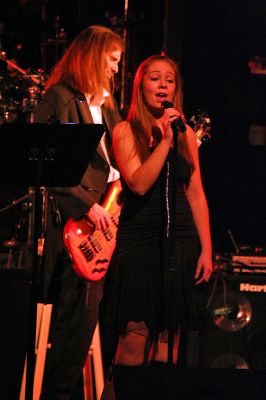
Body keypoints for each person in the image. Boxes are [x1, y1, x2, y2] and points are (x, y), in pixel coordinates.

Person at [101, 54, 213, 399]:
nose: (163, 85)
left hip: (180, 240)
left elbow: (195, 194)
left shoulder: (186, 135)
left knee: (169, 343)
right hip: (140, 241)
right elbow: (138, 183)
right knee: (135, 341)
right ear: (141, 86)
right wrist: (164, 140)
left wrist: (207, 249)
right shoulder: (125, 130)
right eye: (155, 78)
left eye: (170, 80)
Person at [33, 25, 123, 399]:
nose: (118, 69)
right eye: (113, 60)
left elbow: (119, 165)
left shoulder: (106, 104)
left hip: (108, 224)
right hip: (77, 227)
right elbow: (44, 165)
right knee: (76, 321)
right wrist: (88, 207)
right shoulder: (58, 98)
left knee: (103, 316)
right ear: (94, 55)